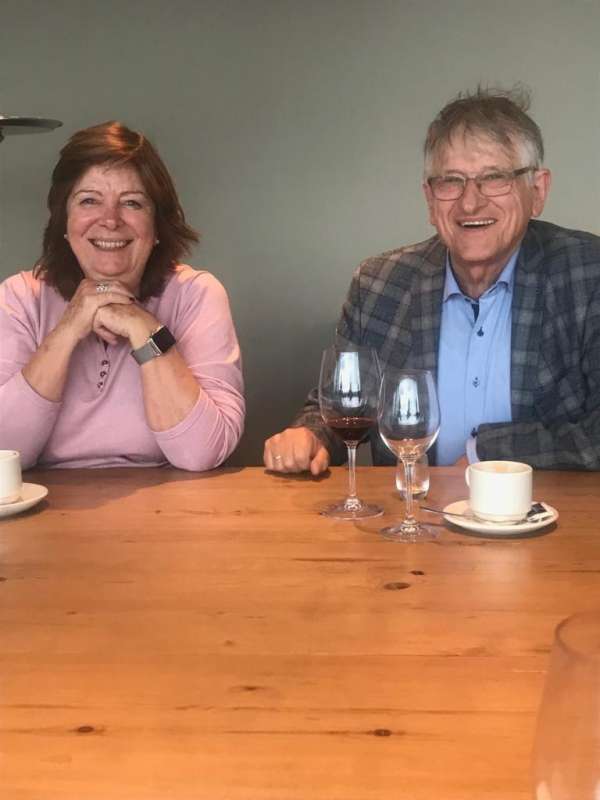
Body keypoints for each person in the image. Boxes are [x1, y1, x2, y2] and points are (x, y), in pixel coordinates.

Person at [264, 87, 600, 473]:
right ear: (429, 198)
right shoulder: (379, 286)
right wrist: (310, 436)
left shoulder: (588, 274)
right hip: (413, 509)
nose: (470, 203)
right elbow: (341, 410)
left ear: (537, 191)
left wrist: (486, 454)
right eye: (450, 182)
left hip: (549, 511)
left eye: (494, 178)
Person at [0, 121, 244, 470]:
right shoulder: (19, 298)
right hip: (45, 500)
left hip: (168, 499)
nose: (110, 220)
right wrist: (68, 330)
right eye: (89, 200)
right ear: (64, 222)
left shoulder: (197, 294)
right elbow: (5, 451)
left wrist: (144, 328)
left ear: (157, 226)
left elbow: (201, 453)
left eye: (132, 203)